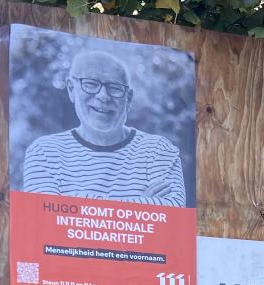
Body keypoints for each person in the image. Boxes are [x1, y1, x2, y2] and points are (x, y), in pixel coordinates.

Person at [21, 49, 186, 207]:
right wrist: (142, 204)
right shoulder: (45, 152)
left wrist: (72, 204)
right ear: (71, 89)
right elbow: (43, 220)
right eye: (91, 84)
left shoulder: (157, 150)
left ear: (128, 99)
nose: (103, 96)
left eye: (115, 88)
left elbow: (173, 216)